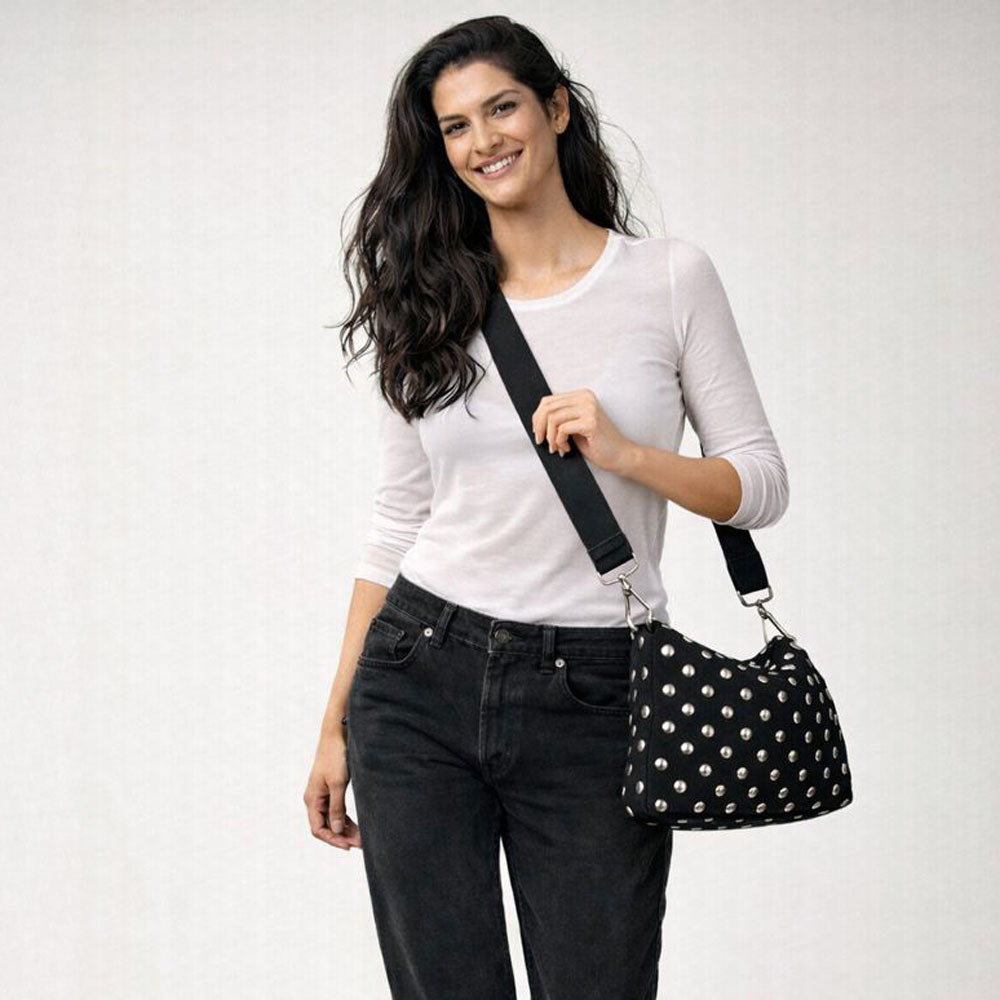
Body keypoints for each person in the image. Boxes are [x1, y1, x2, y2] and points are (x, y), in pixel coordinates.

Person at [304, 14, 789, 1000]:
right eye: (454, 127)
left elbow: (759, 484)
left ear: (555, 109)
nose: (483, 141)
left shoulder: (666, 278)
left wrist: (627, 453)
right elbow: (397, 520)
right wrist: (334, 723)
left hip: (599, 690)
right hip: (416, 677)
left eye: (501, 107)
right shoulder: (430, 297)